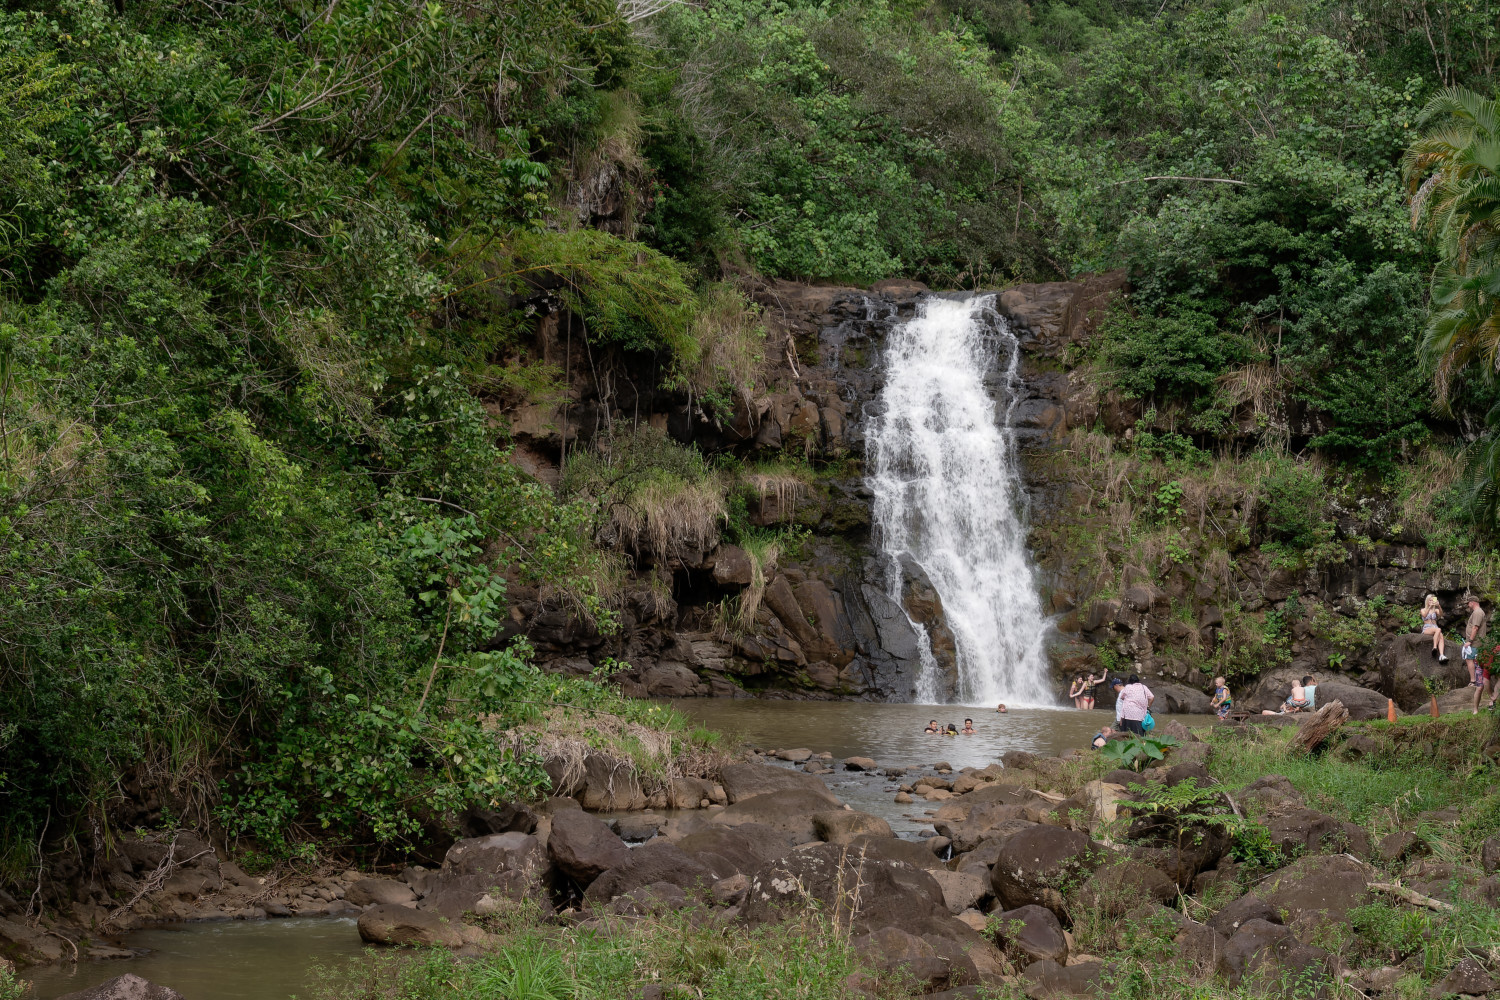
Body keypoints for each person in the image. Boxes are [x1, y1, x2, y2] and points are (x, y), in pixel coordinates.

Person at [1464, 596, 1492, 714]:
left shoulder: (1478, 612)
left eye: (1468, 603)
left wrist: (1470, 640)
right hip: (1475, 643)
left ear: (1472, 602)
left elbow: (1475, 627)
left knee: (1470, 659)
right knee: (1470, 659)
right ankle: (1474, 680)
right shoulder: (1478, 612)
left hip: (1475, 643)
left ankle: (1473, 680)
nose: (1467, 605)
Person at [1421, 594, 1450, 663]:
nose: (1431, 601)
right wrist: (1430, 607)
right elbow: (1424, 615)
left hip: (1435, 627)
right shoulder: (1423, 610)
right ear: (1427, 601)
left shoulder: (1435, 610)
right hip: (1427, 628)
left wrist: (1439, 606)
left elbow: (1441, 615)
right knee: (1439, 630)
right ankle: (1434, 647)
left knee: (1441, 636)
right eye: (1430, 600)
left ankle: (1442, 655)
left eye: (1432, 600)